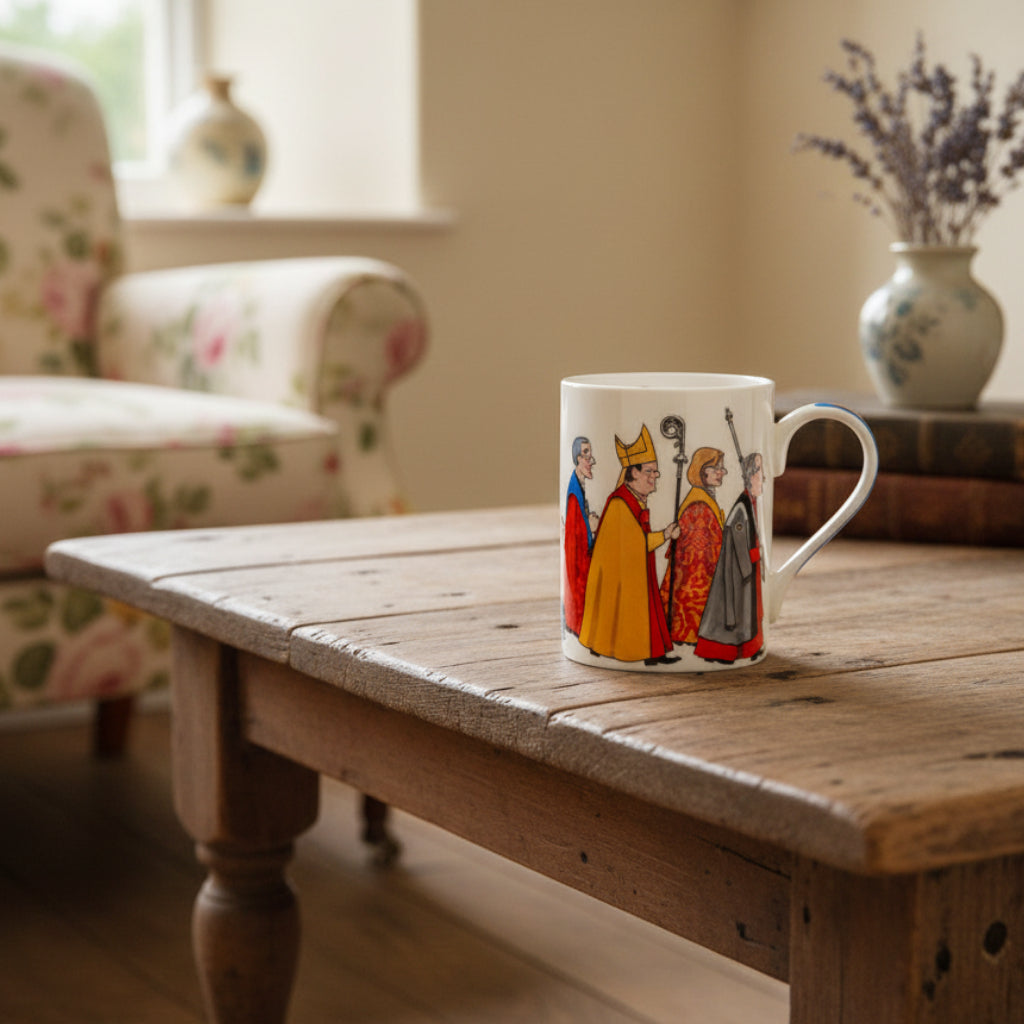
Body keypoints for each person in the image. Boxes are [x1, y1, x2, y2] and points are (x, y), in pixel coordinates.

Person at [579, 425, 680, 665]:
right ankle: (638, 653)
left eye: (656, 471)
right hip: (621, 577)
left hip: (634, 572)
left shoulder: (636, 500)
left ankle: (653, 654)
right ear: (632, 473)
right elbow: (637, 544)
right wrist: (665, 534)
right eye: (650, 471)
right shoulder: (620, 505)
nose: (655, 476)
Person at [695, 452, 765, 663]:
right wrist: (752, 561)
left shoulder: (749, 504)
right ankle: (722, 653)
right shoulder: (741, 508)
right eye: (759, 471)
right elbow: (739, 541)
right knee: (733, 615)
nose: (764, 477)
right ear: (750, 475)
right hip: (736, 578)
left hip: (745, 574)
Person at [659, 447, 727, 645]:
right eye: (716, 468)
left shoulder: (706, 498)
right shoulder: (698, 507)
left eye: (722, 469)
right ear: (701, 470)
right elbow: (700, 553)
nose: (721, 473)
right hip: (694, 581)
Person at [562, 436, 599, 636]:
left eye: (590, 452)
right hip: (579, 558)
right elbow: (574, 532)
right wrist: (590, 527)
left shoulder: (580, 485)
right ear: (577, 458)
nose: (591, 459)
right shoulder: (574, 491)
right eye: (585, 453)